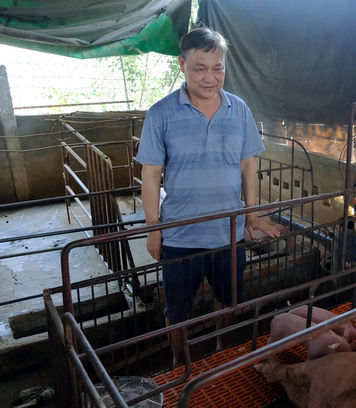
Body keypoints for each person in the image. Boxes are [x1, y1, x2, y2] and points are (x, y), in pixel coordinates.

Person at [136, 26, 279, 365]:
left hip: (227, 233)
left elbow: (248, 166)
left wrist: (251, 214)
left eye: (218, 68)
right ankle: (177, 363)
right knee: (178, 309)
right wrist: (153, 227)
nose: (210, 78)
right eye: (200, 68)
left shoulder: (239, 109)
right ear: (182, 66)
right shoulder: (161, 114)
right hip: (180, 235)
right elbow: (151, 174)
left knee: (228, 301)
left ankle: (222, 354)